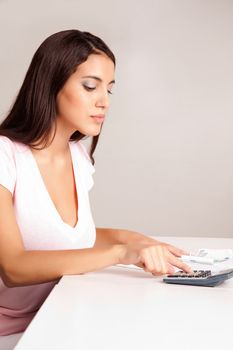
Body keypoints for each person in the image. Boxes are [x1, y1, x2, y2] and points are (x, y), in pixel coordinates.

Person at [0, 29, 191, 340]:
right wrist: (120, 253)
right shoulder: (4, 155)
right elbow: (14, 267)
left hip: (52, 319)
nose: (104, 102)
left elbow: (67, 239)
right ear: (51, 84)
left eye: (109, 90)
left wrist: (138, 242)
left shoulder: (77, 155)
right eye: (90, 87)